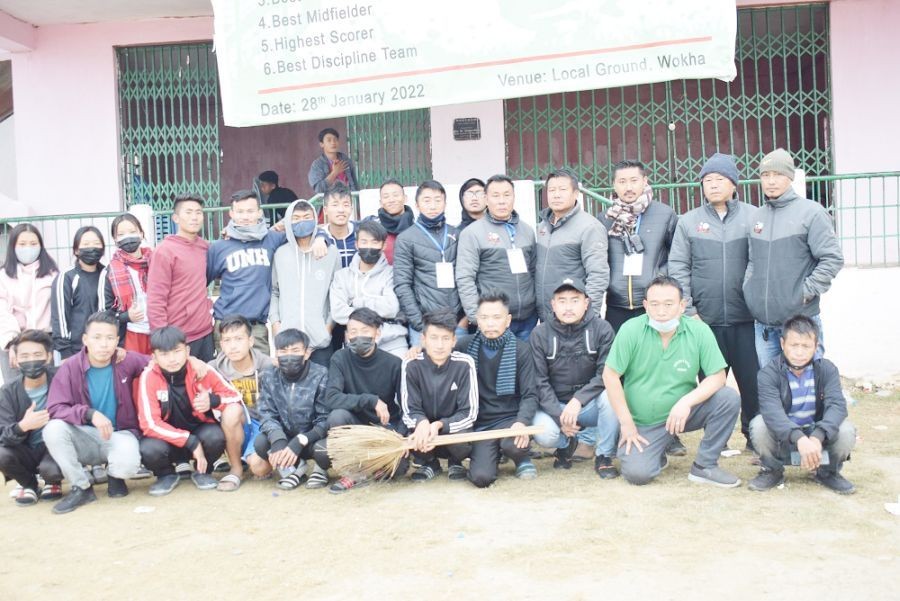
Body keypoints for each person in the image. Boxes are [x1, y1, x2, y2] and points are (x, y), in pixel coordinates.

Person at [602, 276, 742, 488]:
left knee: (728, 398)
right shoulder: (630, 329)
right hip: (643, 422)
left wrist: (686, 402)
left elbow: (718, 376)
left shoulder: (699, 331)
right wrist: (626, 422)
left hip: (683, 414)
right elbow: (610, 375)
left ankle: (705, 466)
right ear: (646, 306)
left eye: (669, 304)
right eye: (655, 304)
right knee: (637, 475)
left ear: (682, 306)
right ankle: (657, 452)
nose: (661, 311)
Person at [669, 153, 760, 451]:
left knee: (752, 384)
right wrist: (690, 310)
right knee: (711, 385)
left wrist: (755, 301)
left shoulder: (754, 217)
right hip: (703, 322)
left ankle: (755, 438)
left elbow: (760, 263)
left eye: (719, 180)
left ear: (733, 184)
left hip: (746, 319)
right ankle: (716, 442)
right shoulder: (688, 221)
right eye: (707, 181)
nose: (713, 185)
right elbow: (678, 267)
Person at [744, 148, 843, 368]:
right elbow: (753, 261)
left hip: (801, 322)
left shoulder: (811, 213)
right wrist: (749, 288)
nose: (771, 181)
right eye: (765, 175)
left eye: (778, 175)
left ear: (790, 177)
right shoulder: (756, 217)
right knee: (773, 391)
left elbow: (832, 258)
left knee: (808, 388)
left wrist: (805, 292)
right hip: (764, 327)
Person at [43, 311, 148, 513]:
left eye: (110, 338)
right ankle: (81, 487)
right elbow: (55, 408)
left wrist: (193, 361)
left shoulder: (125, 360)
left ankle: (115, 476)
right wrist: (89, 414)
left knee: (128, 464)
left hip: (120, 434)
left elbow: (158, 362)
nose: (104, 344)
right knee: (53, 429)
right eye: (97, 338)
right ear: (85, 339)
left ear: (117, 340)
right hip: (85, 434)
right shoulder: (70, 367)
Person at [748, 315, 856, 494]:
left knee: (846, 430)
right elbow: (772, 413)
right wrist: (799, 438)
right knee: (759, 425)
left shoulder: (827, 369)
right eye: (794, 345)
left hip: (817, 439)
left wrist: (816, 437)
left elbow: (837, 406)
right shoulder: (768, 374)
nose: (799, 352)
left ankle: (827, 472)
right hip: (784, 440)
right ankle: (772, 471)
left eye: (806, 346)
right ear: (782, 344)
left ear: (815, 346)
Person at [136, 326, 244, 496]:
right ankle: (165, 474)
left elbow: (236, 399)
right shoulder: (149, 376)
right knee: (149, 449)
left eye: (177, 351)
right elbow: (149, 424)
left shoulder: (201, 370)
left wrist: (213, 401)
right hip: (168, 440)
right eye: (164, 354)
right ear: (154, 357)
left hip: (200, 431)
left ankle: (203, 471)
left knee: (215, 437)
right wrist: (189, 441)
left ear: (187, 351)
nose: (172, 359)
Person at [530, 278, 619, 478]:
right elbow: (539, 381)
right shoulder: (539, 333)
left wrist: (578, 400)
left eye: (575, 300)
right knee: (545, 435)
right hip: (556, 405)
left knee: (611, 397)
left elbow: (606, 374)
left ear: (586, 303)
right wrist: (557, 415)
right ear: (553, 304)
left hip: (588, 405)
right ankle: (565, 445)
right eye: (562, 301)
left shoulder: (602, 329)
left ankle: (604, 455)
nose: (568, 307)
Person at [314, 308, 405, 493]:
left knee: (400, 468)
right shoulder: (340, 358)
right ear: (346, 335)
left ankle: (367, 466)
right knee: (322, 448)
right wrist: (371, 400)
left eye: (365, 331)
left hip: (383, 429)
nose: (358, 336)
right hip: (353, 430)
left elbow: (406, 406)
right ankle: (354, 472)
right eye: (353, 332)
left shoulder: (394, 363)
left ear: (377, 333)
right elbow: (332, 398)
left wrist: (400, 436)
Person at [457, 291, 539, 487]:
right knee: (481, 478)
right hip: (480, 423)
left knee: (514, 445)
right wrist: (417, 351)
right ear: (477, 320)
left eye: (496, 317)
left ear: (508, 320)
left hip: (509, 419)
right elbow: (438, 358)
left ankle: (521, 459)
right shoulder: (464, 346)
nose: (490, 323)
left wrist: (522, 422)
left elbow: (530, 394)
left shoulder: (521, 349)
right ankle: (490, 456)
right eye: (484, 318)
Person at [599, 160, 678, 333]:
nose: (628, 187)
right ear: (614, 185)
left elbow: (678, 255)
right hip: (616, 304)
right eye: (622, 182)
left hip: (654, 302)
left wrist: (659, 275)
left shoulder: (665, 214)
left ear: (645, 181)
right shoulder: (606, 218)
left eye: (634, 181)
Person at [457, 175, 538, 341]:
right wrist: (476, 317)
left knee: (524, 366)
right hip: (493, 322)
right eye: (496, 196)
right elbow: (465, 278)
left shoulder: (527, 231)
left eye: (507, 195)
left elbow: (534, 272)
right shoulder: (472, 233)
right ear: (486, 199)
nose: (502, 201)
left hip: (527, 320)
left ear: (514, 197)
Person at [401, 309, 477, 482]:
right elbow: (409, 410)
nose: (440, 345)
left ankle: (455, 462)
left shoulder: (465, 363)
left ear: (453, 340)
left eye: (445, 338)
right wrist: (422, 423)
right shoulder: (411, 364)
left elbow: (469, 412)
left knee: (462, 438)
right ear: (424, 339)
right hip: (424, 431)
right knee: (414, 433)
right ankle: (429, 463)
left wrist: (439, 425)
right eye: (434, 338)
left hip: (451, 430)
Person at [207, 189, 287, 355]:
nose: (245, 216)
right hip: (226, 325)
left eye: (250, 211)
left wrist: (320, 238)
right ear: (231, 213)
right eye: (240, 211)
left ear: (259, 212)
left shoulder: (271, 239)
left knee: (261, 377)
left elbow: (303, 227)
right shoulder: (219, 247)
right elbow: (201, 282)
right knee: (227, 378)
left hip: (256, 327)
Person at [252, 328, 329, 491]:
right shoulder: (268, 375)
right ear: (276, 354)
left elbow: (325, 418)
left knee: (325, 449)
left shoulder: (321, 374)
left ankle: (320, 469)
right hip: (285, 439)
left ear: (307, 353)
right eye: (283, 351)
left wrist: (302, 439)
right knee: (260, 443)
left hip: (311, 440)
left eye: (295, 350)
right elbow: (265, 413)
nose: (289, 356)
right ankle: (295, 468)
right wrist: (278, 440)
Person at [393, 180, 466, 348]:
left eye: (437, 200)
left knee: (460, 370)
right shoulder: (406, 238)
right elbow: (402, 284)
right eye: (427, 200)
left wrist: (464, 319)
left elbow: (469, 277)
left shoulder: (457, 234)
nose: (433, 205)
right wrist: (419, 323)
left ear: (445, 203)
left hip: (457, 324)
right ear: (417, 204)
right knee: (424, 372)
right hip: (424, 326)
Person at [270, 199, 340, 367]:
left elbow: (337, 292)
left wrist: (327, 328)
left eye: (307, 217)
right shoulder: (280, 254)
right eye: (296, 218)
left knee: (322, 391)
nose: (302, 221)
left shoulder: (330, 252)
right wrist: (276, 326)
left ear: (315, 219)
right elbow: (275, 291)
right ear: (288, 221)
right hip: (288, 343)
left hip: (320, 342)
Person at [534, 168, 609, 323]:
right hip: (548, 317)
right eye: (551, 190)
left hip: (575, 319)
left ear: (576, 193)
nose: (556, 195)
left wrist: (588, 316)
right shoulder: (542, 227)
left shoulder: (589, 227)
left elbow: (598, 274)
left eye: (562, 189)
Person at [147, 193, 215, 362]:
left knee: (205, 385)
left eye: (198, 212)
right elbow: (156, 298)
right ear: (176, 218)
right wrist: (161, 338)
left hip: (205, 332)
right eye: (188, 212)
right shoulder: (165, 251)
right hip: (178, 337)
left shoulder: (205, 247)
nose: (194, 217)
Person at [0, 330, 62, 506]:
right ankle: (29, 484)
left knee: (51, 470)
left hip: (53, 449)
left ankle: (52, 481)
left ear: (49, 357)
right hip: (25, 450)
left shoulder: (61, 379)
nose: (31, 361)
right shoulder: (7, 391)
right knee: (1, 454)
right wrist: (23, 426)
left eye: (37, 355)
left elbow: (85, 361)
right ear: (16, 359)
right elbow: (2, 433)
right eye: (25, 356)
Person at [329, 221, 408, 358]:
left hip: (393, 342)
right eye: (364, 242)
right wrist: (377, 308)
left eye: (375, 242)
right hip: (356, 344)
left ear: (384, 245)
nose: (369, 247)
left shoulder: (392, 273)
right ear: (356, 244)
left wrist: (357, 302)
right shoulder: (342, 276)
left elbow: (391, 308)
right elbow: (338, 312)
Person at [208, 315, 274, 479]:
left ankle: (254, 458)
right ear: (221, 344)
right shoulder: (213, 369)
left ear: (251, 341)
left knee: (258, 468)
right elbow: (190, 365)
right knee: (232, 410)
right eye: (227, 340)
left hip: (263, 426)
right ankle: (236, 467)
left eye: (238, 339)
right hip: (234, 426)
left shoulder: (267, 365)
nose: (233, 346)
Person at [1, 224, 58, 385]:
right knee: (15, 391)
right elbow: (3, 313)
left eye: (33, 244)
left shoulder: (52, 274)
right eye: (22, 244)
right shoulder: (3, 276)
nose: (28, 248)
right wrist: (12, 343)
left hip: (43, 341)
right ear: (13, 246)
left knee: (45, 390)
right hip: (13, 344)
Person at [51, 226, 108, 360]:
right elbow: (59, 317)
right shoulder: (66, 277)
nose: (92, 248)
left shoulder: (108, 275)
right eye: (86, 244)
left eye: (96, 243)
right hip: (75, 351)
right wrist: (65, 353)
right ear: (76, 250)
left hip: (105, 349)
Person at [103, 213, 153, 354]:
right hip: (132, 334)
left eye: (132, 232)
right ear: (115, 239)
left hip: (159, 331)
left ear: (141, 234)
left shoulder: (156, 261)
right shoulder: (111, 271)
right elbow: (105, 313)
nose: (128, 237)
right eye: (121, 234)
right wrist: (126, 316)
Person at [369, 178, 414, 264]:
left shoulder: (417, 228)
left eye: (396, 195)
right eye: (386, 197)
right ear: (381, 202)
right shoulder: (374, 228)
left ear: (405, 198)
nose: (391, 200)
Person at [308, 127, 359, 194]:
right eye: (329, 140)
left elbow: (354, 184)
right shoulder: (317, 165)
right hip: (330, 202)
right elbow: (318, 189)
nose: (333, 143)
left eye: (335, 140)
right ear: (321, 144)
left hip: (348, 201)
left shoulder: (346, 160)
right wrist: (335, 172)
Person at [321, 182, 358, 268]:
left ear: (351, 209)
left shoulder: (360, 233)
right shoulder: (319, 238)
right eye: (335, 205)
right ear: (325, 210)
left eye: (346, 205)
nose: (341, 210)